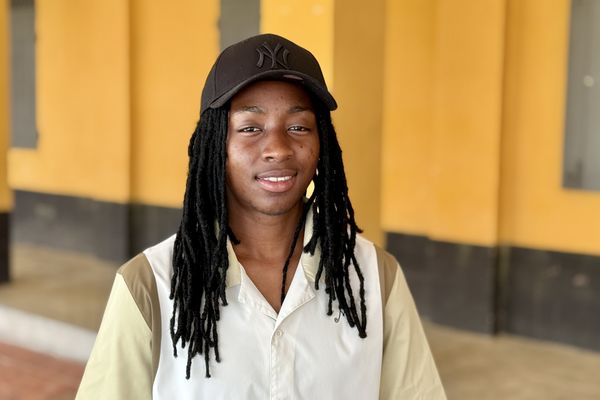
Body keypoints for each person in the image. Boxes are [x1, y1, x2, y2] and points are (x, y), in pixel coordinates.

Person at [76, 33, 446, 399]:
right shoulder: (150, 285)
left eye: (298, 127)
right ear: (215, 144)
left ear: (322, 145)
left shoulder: (374, 279)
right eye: (251, 128)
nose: (278, 149)